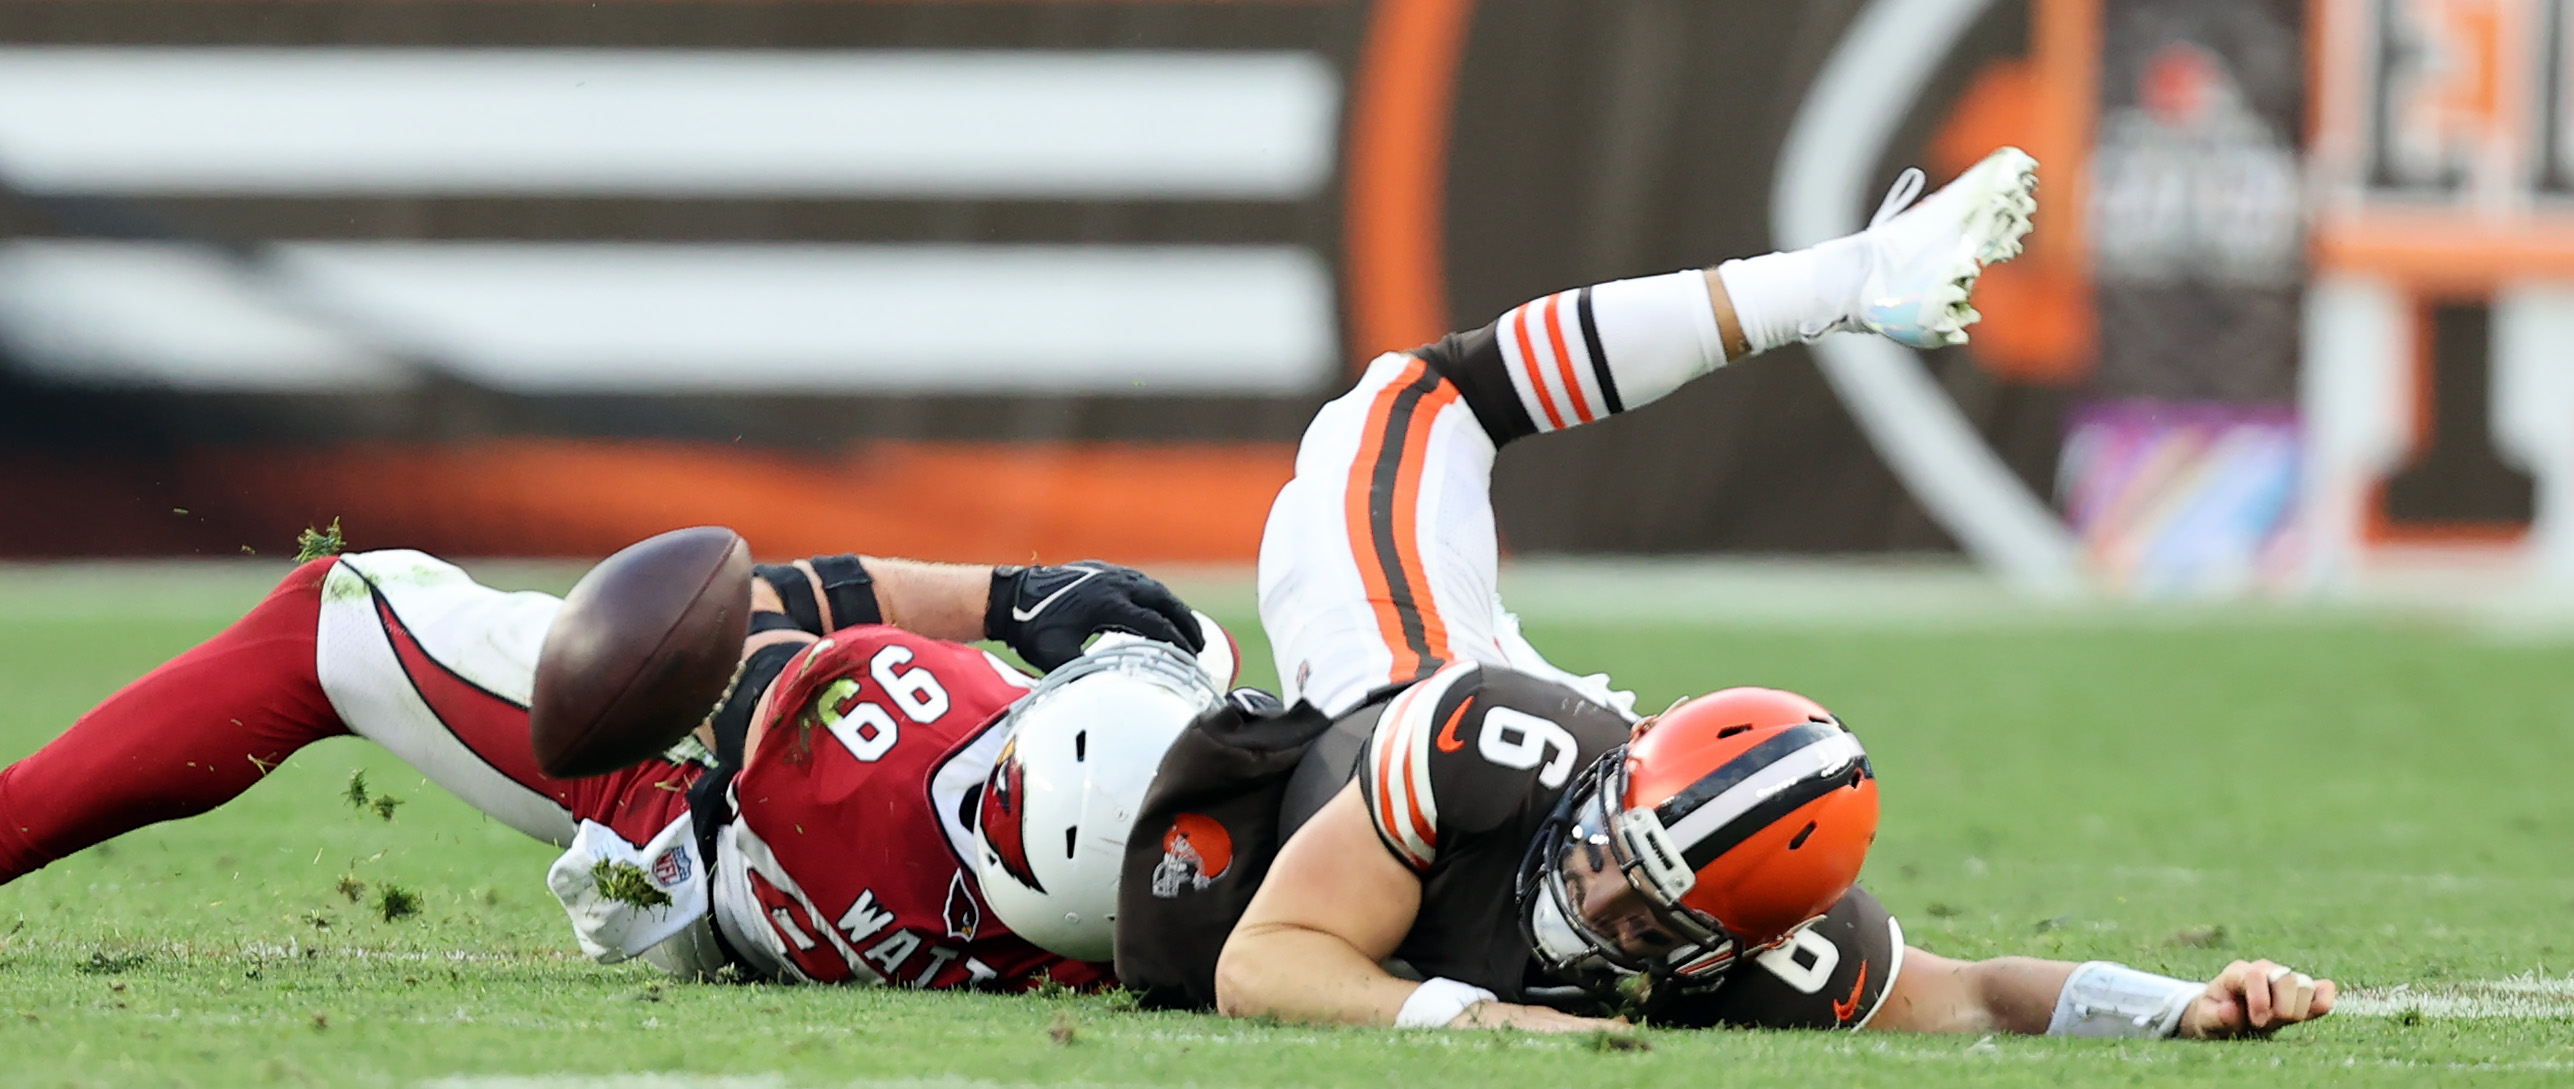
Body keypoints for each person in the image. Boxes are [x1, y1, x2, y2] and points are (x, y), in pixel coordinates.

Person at [1094, 147, 2337, 1040]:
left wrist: (2183, 1007)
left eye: (1648, 921)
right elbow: (1267, 963)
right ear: (1618, 782)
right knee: (1412, 401)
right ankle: (1845, 278)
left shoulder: (1780, 953)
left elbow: (1973, 995)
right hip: (1395, 684)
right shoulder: (1477, 745)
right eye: (1615, 860)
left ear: (1733, 948)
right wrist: (1494, 1025)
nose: (1595, 904)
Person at [0, 542, 1227, 989]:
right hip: (806, 895)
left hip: (690, 827)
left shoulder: (880, 759)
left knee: (338, 613)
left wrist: (1008, 597)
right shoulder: (1165, 929)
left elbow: (742, 613)